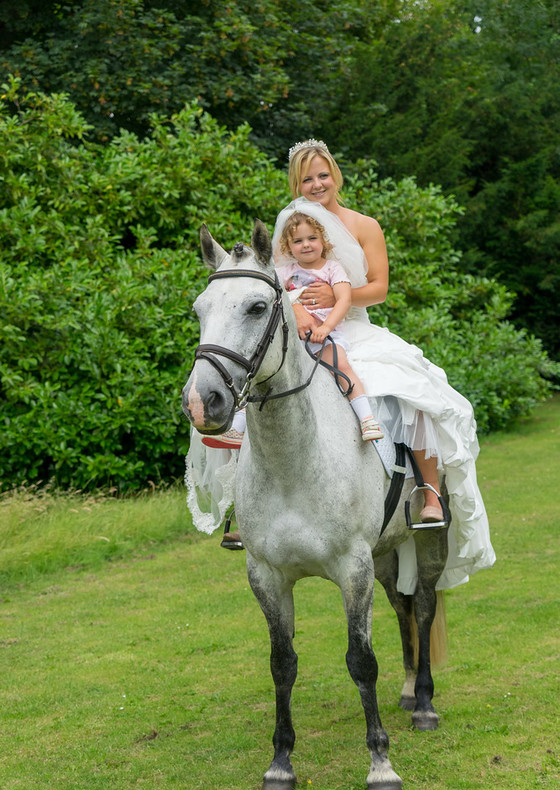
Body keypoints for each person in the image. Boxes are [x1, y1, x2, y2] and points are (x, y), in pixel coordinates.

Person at [186, 139, 496, 592]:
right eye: (306, 178)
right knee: (252, 394)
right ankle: (243, 503)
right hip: (299, 333)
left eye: (322, 175)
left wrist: (336, 296)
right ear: (297, 183)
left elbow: (380, 287)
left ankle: (427, 490)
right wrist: (299, 311)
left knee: (411, 393)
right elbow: (271, 286)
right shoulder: (289, 226)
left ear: (336, 174)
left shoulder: (363, 225)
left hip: (351, 325)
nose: (316, 185)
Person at [276, 210, 383, 441]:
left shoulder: (332, 269)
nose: (306, 245)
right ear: (288, 247)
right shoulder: (284, 272)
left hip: (326, 335)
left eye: (312, 238)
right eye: (298, 241)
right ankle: (240, 422)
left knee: (340, 365)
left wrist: (326, 328)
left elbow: (343, 299)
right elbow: (275, 296)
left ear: (323, 241)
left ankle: (367, 419)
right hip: (293, 339)